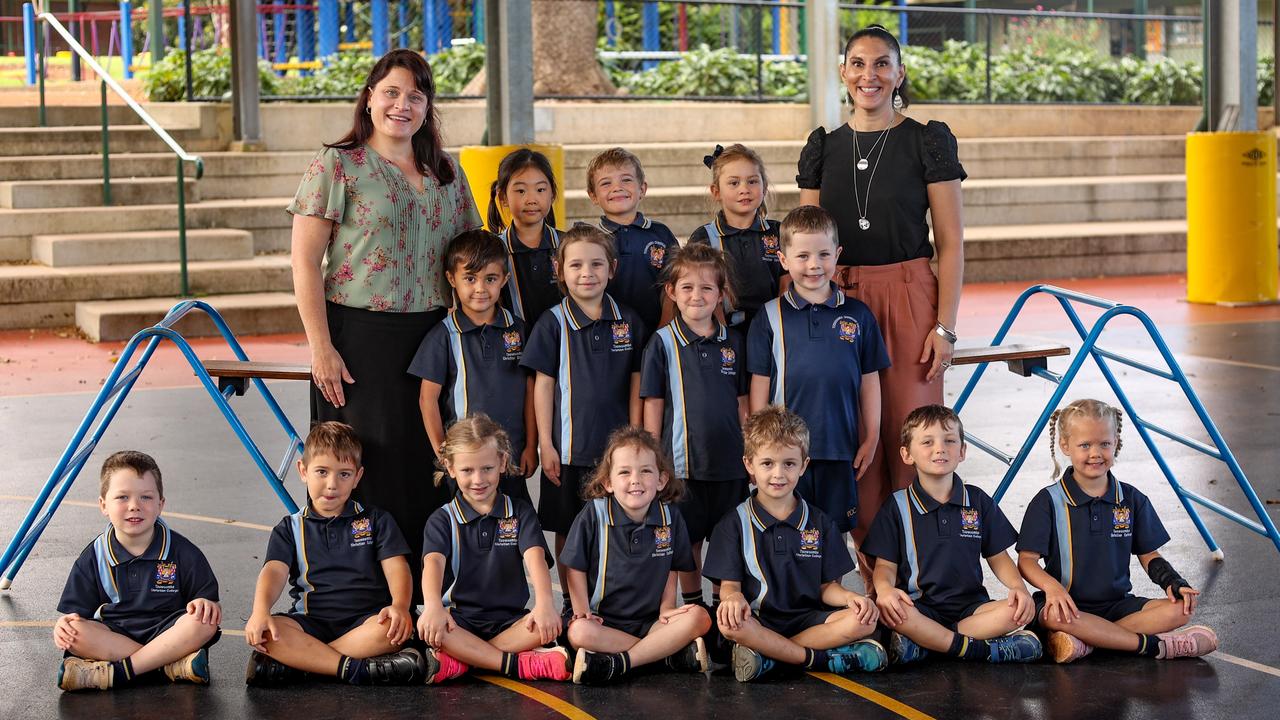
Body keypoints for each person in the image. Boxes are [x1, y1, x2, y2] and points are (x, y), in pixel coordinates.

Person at [288, 49, 482, 597]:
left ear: (427, 108)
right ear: (370, 97)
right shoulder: (337, 165)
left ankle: (427, 590)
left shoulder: (446, 172)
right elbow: (305, 262)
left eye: (416, 97)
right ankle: (354, 590)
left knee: (429, 460)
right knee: (360, 462)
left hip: (434, 336)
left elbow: (471, 252)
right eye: (391, 92)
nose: (402, 105)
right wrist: (321, 347)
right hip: (359, 337)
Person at [796, 24, 967, 550]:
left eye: (881, 64)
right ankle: (879, 580)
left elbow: (952, 245)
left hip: (909, 291)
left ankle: (929, 569)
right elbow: (807, 240)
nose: (869, 75)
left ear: (899, 73)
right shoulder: (824, 147)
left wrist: (945, 326)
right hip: (841, 297)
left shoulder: (926, 140)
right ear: (844, 73)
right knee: (854, 435)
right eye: (859, 64)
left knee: (913, 429)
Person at [1017, 399, 1218, 663]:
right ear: (1065, 445)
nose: (1095, 453)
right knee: (1054, 617)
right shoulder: (1048, 501)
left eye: (1104, 444)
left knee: (1181, 610)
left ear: (1116, 443)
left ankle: (1089, 641)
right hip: (1067, 606)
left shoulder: (1132, 499)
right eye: (1085, 445)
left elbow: (1149, 556)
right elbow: (1026, 561)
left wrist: (1173, 581)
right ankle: (1153, 645)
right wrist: (1053, 589)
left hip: (1118, 607)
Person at [705, 407, 887, 683]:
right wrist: (732, 598)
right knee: (731, 625)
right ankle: (818, 659)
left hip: (808, 619)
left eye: (789, 464)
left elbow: (827, 588)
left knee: (864, 620)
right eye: (767, 463)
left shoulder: (820, 521)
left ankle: (772, 657)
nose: (778, 474)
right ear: (749, 464)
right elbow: (730, 587)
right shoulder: (733, 524)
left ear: (803, 465)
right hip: (759, 621)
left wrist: (851, 598)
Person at [244, 422, 424, 687]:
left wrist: (399, 605)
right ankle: (352, 668)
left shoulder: (377, 520)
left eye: (344, 474)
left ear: (358, 477)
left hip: (365, 620)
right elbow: (273, 572)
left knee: (391, 629)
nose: (332, 484)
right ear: (303, 471)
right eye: (322, 472)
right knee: (269, 634)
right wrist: (260, 611)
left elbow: (397, 567)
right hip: (311, 622)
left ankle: (307, 663)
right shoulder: (289, 527)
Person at [747, 206, 889, 538]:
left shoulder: (859, 315)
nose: (814, 265)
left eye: (824, 254)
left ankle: (831, 589)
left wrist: (872, 435)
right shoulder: (769, 317)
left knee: (831, 532)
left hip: (839, 446)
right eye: (803, 256)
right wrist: (758, 443)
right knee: (785, 528)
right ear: (783, 259)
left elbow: (870, 380)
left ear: (837, 255)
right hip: (784, 451)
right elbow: (760, 384)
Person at [521, 224, 646, 600]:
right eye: (575, 265)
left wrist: (638, 439)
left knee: (618, 524)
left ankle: (616, 598)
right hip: (570, 451)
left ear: (612, 268)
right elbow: (542, 386)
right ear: (559, 270)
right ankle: (573, 604)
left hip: (618, 456)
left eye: (595, 264)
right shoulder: (552, 322)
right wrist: (546, 444)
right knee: (568, 530)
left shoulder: (630, 321)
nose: (586, 273)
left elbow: (638, 383)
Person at [862, 405, 1042, 666]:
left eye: (949, 440)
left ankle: (928, 644)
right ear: (907, 454)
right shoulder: (897, 506)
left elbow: (998, 558)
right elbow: (885, 567)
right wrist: (885, 590)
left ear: (962, 451)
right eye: (927, 442)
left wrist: (1019, 589)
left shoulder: (977, 501)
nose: (940, 448)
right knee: (895, 613)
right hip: (919, 608)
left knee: (1019, 610)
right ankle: (982, 650)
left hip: (972, 608)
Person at [417, 414, 569, 683]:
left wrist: (545, 603)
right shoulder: (443, 518)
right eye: (467, 470)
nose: (478, 479)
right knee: (434, 629)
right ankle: (516, 664)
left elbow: (535, 558)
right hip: (459, 621)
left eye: (487, 468)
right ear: (450, 467)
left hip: (510, 621)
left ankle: (465, 661)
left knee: (543, 626)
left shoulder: (519, 512)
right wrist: (431, 606)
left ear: (501, 462)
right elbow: (433, 565)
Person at [54, 451, 220, 691]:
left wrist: (207, 604)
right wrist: (64, 624)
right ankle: (168, 667)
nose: (134, 506)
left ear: (161, 504)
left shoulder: (183, 551)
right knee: (75, 633)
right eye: (122, 497)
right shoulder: (94, 556)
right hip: (116, 635)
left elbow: (209, 603)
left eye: (146, 497)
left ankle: (120, 673)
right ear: (103, 505)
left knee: (203, 622)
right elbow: (74, 616)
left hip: (168, 633)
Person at [641, 243, 749, 609]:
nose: (696, 295)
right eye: (687, 287)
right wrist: (654, 460)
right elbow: (653, 402)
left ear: (721, 293)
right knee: (685, 540)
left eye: (706, 288)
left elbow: (742, 403)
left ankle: (723, 607)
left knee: (725, 539)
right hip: (681, 465)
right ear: (671, 292)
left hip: (729, 464)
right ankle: (693, 605)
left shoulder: (733, 343)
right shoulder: (662, 343)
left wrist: (749, 450)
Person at [562, 427, 712, 684]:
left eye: (645, 471)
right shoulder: (594, 514)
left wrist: (667, 607)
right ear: (608, 482)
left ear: (662, 479)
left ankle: (621, 662)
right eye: (624, 472)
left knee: (701, 618)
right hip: (603, 622)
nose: (636, 479)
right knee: (578, 633)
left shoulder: (670, 517)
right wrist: (581, 609)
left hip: (650, 622)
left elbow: (672, 567)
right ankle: (663, 655)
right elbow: (575, 567)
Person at [410, 230, 537, 505]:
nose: (480, 288)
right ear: (451, 279)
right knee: (468, 529)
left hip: (510, 455)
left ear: (504, 279)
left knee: (515, 524)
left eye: (490, 279)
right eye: (470, 278)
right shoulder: (443, 335)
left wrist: (531, 445)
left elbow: (530, 389)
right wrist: (444, 452)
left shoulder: (518, 330)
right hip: (466, 461)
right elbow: (427, 398)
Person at [686, 143, 784, 330]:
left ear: (764, 188)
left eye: (753, 181)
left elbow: (787, 284)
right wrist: (722, 337)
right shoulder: (704, 237)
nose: (744, 189)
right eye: (734, 183)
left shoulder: (778, 232)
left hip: (773, 327)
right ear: (716, 192)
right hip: (724, 328)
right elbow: (701, 291)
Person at [586, 147, 677, 331]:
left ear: (642, 189)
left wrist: (666, 324)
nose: (617, 188)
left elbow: (676, 281)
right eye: (606, 183)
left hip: (659, 330)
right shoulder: (591, 241)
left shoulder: (660, 233)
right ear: (593, 196)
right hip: (611, 334)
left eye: (626, 180)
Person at [488, 148, 564, 327]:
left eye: (540, 189)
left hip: (563, 347)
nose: (531, 199)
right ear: (503, 196)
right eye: (521, 191)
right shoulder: (492, 250)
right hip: (512, 349)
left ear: (552, 193)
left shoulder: (569, 245)